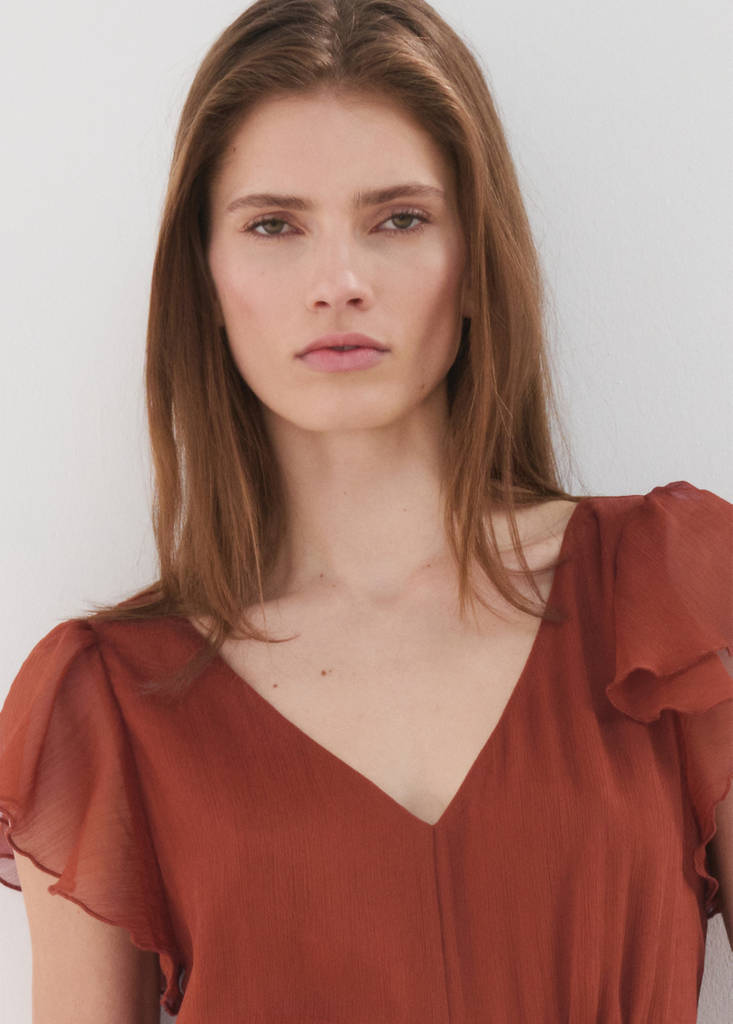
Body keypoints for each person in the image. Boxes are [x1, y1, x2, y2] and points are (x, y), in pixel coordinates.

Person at [1, 0, 731, 1020]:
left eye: (398, 219)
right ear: (204, 280)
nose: (338, 282)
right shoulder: (106, 706)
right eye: (273, 224)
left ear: (474, 262)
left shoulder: (675, 596)